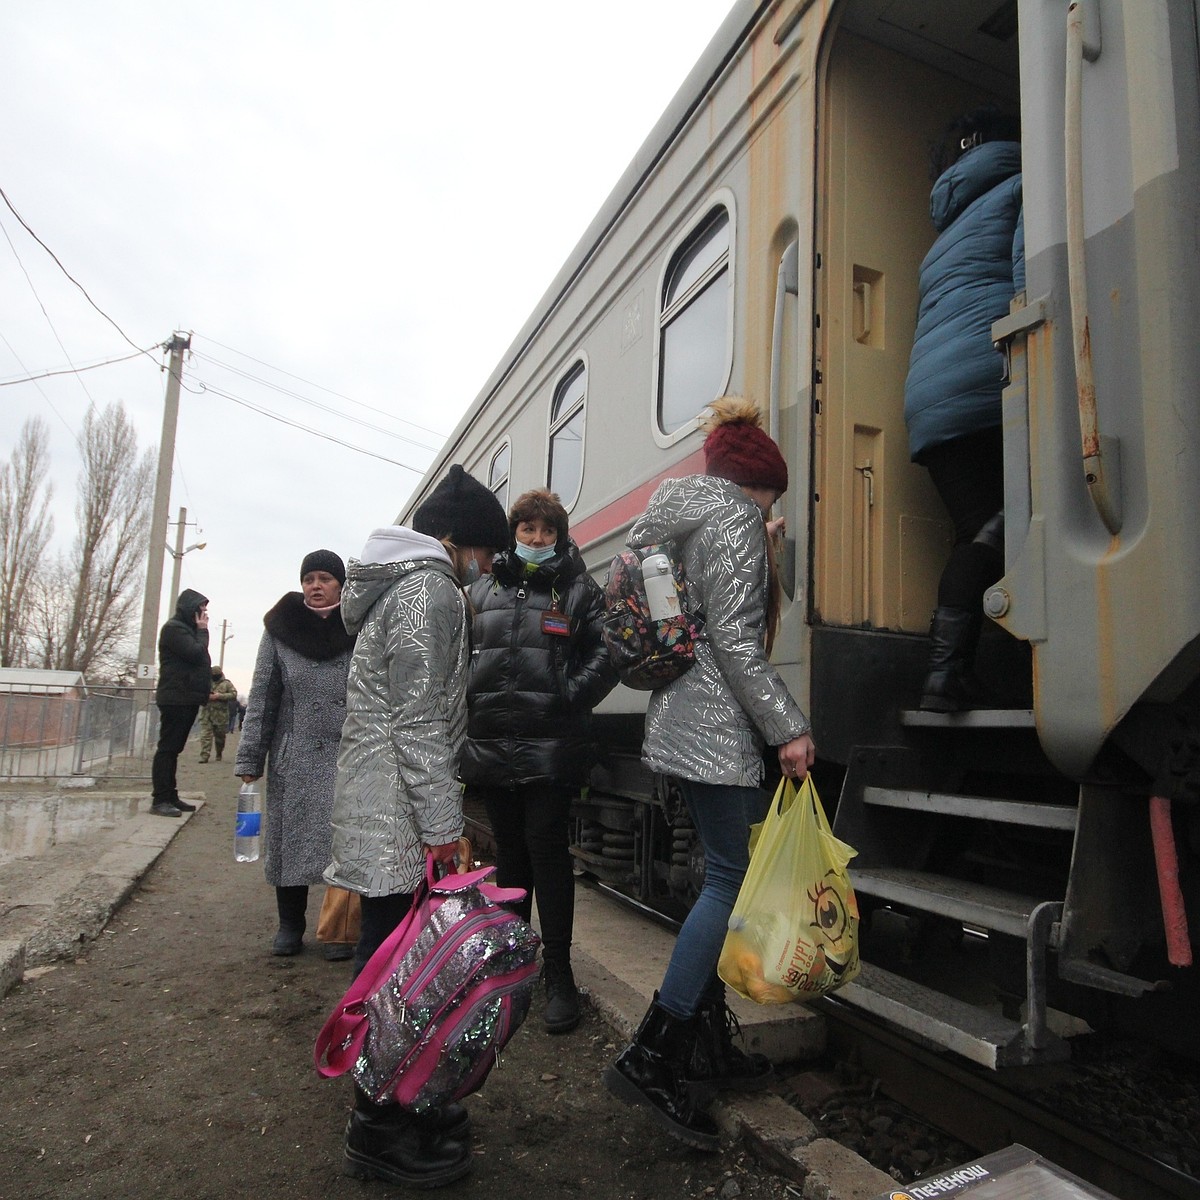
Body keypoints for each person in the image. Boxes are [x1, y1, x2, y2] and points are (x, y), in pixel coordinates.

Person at [603, 397, 815, 1151]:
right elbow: (734, 636)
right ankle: (655, 1054)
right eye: (773, 496)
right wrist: (788, 727)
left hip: (685, 716)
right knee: (729, 877)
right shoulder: (733, 521)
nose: (771, 509)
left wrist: (765, 551)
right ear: (759, 483)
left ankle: (703, 1041)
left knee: (722, 878)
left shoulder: (695, 512)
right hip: (715, 725)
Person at [324, 464, 509, 1189]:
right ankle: (378, 1125)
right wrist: (442, 829)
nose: (490, 564)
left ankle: (401, 1101)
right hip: (397, 808)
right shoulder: (429, 590)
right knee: (390, 967)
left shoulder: (404, 586)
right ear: (455, 540)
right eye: (486, 550)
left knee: (392, 960)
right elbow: (419, 720)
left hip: (383, 798)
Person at [460, 489, 617, 1034]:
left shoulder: (578, 589)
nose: (536, 540)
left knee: (547, 851)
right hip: (494, 740)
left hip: (551, 744)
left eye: (547, 532)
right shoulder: (480, 589)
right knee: (510, 854)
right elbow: (461, 655)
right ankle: (509, 966)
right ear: (514, 532)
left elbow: (610, 646)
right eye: (527, 530)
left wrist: (571, 693)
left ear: (560, 535)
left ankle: (559, 974)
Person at [903, 106, 1023, 712]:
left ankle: (955, 672)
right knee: (998, 526)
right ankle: (946, 674)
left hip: (931, 405)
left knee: (973, 531)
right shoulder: (1022, 189)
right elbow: (1030, 278)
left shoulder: (941, 240)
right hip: (986, 388)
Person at [235, 550, 356, 959]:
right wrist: (251, 759)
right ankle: (290, 924)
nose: (315, 586)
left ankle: (338, 928)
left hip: (347, 754)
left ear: (340, 584)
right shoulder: (279, 630)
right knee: (290, 841)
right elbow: (263, 698)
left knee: (344, 842)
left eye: (324, 578)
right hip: (295, 754)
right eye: (309, 579)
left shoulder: (358, 626)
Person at [151, 588, 211, 817]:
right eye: (201, 609)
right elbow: (196, 653)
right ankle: (160, 799)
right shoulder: (174, 630)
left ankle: (170, 795)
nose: (204, 614)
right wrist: (203, 631)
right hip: (176, 698)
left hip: (185, 698)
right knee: (167, 749)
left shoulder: (186, 630)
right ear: (190, 609)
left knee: (173, 750)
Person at [198, 665, 237, 762]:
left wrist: (219, 696)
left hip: (220, 716)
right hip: (206, 714)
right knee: (205, 736)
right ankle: (204, 756)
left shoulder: (226, 684)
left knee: (220, 737)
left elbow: (233, 694)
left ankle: (219, 753)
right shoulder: (206, 682)